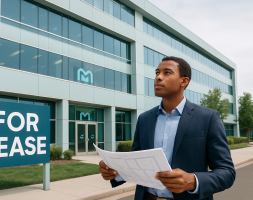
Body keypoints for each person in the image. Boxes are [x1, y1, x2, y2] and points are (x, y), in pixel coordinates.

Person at [98, 57, 235, 200]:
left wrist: (193, 181)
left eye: (167, 72)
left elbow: (227, 172)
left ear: (184, 81)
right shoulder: (144, 119)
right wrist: (115, 172)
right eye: (157, 72)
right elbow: (136, 164)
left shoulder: (208, 117)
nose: (158, 77)